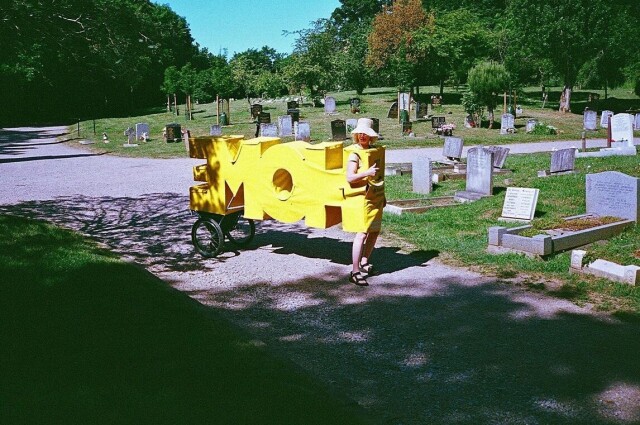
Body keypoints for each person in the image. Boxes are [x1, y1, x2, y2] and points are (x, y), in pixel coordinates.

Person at [346, 118, 385, 286]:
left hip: (375, 197)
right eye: (360, 133)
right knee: (361, 233)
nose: (362, 136)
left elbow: (379, 175)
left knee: (374, 231)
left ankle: (364, 261)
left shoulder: (374, 151)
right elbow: (350, 177)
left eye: (365, 134)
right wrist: (366, 173)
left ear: (371, 136)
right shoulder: (354, 153)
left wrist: (383, 196)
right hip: (362, 198)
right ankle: (354, 271)